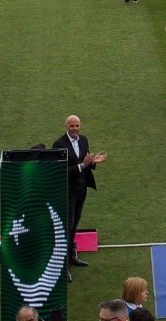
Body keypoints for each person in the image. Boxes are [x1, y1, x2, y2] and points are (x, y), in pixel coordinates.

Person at [52, 115, 107, 281]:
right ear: (65, 126)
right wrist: (82, 165)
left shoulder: (83, 139)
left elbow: (87, 160)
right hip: (68, 192)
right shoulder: (59, 145)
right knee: (67, 228)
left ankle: (71, 257)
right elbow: (60, 171)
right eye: (72, 126)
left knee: (74, 224)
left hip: (82, 190)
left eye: (77, 125)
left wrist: (92, 162)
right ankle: (64, 267)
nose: (75, 129)